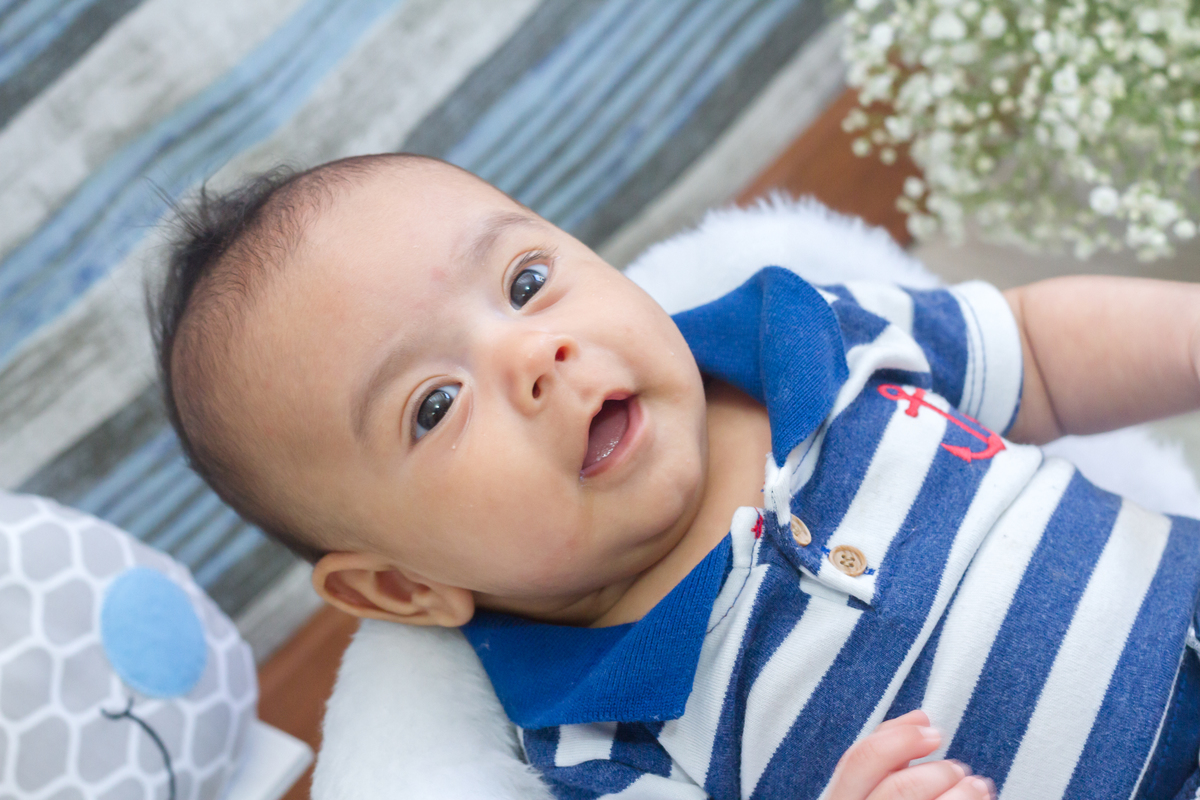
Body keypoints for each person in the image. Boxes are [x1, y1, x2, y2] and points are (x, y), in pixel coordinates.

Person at [154, 152, 1200, 800]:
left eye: (525, 282)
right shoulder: (597, 741)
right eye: (433, 404)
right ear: (400, 587)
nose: (535, 356)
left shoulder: (814, 336)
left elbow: (1042, 351)